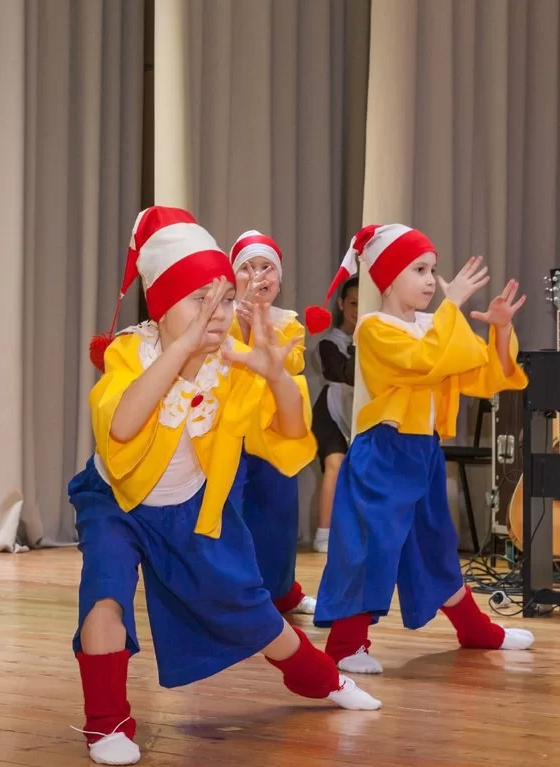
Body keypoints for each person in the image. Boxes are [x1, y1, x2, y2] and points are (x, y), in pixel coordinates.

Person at [72, 206, 380, 766]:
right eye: (200, 300)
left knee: (247, 606)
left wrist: (274, 374)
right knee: (104, 595)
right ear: (162, 306)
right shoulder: (130, 351)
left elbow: (289, 437)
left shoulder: (231, 365)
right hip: (114, 501)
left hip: (189, 509)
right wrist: (182, 350)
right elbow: (120, 426)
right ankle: (106, 721)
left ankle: (318, 677)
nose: (216, 314)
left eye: (224, 299)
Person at [303, 224, 534, 675]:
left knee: (434, 544)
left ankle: (475, 629)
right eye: (419, 270)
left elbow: (486, 375)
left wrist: (501, 330)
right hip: (383, 452)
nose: (431, 280)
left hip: (423, 450)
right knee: (368, 547)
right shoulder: (373, 327)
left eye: (432, 270)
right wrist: (453, 306)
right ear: (388, 279)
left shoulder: (434, 325)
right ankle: (345, 646)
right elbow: (425, 362)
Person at [226, 229, 315, 615]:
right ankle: (236, 593)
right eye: (247, 268)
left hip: (274, 430)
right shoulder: (219, 318)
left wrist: (263, 328)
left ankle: (280, 591)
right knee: (233, 513)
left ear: (279, 279)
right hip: (231, 430)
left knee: (278, 515)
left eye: (267, 268)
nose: (258, 276)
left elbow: (292, 364)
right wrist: (243, 325)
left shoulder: (289, 322)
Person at [310, 275, 359, 554]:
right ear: (341, 304)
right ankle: (323, 535)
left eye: (363, 303)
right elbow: (345, 375)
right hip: (330, 410)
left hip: (362, 411)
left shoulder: (382, 337)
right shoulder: (329, 343)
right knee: (335, 465)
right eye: (353, 303)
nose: (357, 309)